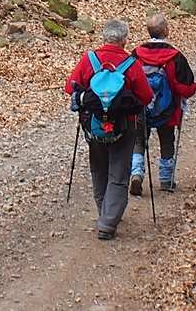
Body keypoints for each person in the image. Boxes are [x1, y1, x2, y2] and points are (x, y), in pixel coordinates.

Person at [65, 19, 153, 240]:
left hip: (94, 126)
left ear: (104, 37)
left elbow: (70, 87)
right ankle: (108, 221)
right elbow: (146, 96)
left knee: (99, 170)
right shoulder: (131, 64)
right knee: (119, 173)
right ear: (124, 40)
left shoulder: (89, 60)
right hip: (125, 126)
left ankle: (105, 212)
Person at [129, 14, 196, 195]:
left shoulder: (136, 54)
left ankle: (136, 173)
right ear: (166, 31)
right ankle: (166, 180)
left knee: (138, 140)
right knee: (167, 140)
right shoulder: (175, 56)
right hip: (167, 109)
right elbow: (186, 87)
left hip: (140, 107)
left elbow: (128, 80)